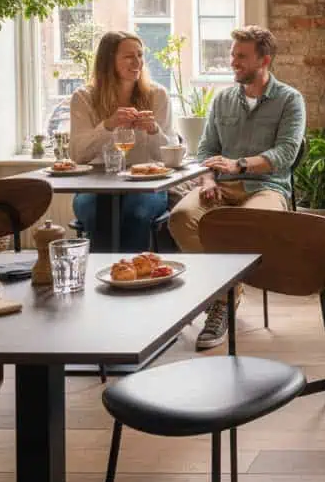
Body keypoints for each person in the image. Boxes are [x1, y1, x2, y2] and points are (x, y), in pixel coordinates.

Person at [168, 25, 306, 350]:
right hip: (221, 186)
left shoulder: (290, 100)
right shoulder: (223, 101)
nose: (233, 62)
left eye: (241, 56)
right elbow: (205, 151)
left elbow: (285, 154)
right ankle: (227, 291)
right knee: (181, 216)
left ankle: (221, 300)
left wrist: (239, 164)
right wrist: (207, 179)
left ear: (264, 60)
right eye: (232, 55)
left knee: (247, 226)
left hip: (267, 187)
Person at [69, 31, 172, 252]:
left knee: (135, 214)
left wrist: (154, 130)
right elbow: (77, 154)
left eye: (140, 55)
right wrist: (107, 126)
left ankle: (133, 276)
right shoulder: (83, 98)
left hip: (146, 185)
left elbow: (168, 157)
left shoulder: (157, 96)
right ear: (108, 61)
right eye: (128, 56)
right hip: (95, 185)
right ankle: (101, 279)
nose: (137, 62)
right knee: (97, 214)